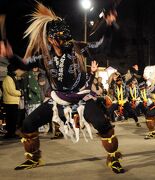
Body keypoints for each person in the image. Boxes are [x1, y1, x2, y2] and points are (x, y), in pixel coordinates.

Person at [12, 2, 124, 173]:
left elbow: (101, 46)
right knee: (27, 124)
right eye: (61, 38)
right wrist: (9, 55)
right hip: (58, 100)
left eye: (66, 36)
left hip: (82, 98)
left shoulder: (78, 47)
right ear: (51, 39)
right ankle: (34, 158)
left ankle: (113, 157)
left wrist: (109, 26)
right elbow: (24, 64)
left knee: (103, 124)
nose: (66, 40)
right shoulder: (44, 56)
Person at [2, 64, 24, 138]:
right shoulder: (9, 78)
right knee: (11, 119)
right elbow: (11, 91)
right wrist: (21, 93)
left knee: (12, 118)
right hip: (10, 102)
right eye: (15, 70)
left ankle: (11, 133)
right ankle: (10, 133)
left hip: (12, 101)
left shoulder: (12, 78)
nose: (16, 71)